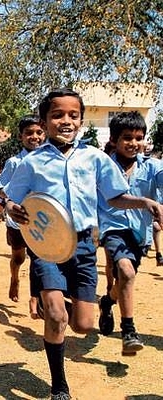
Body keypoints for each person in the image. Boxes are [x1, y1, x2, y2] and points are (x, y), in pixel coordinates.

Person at [4, 88, 163, 400]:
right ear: (44, 121)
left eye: (73, 115)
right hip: (46, 245)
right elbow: (12, 198)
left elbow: (115, 196)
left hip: (83, 246)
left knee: (83, 325)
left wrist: (144, 201)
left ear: (80, 119)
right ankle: (59, 385)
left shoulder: (95, 158)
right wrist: (12, 208)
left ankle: (62, 303)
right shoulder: (31, 162)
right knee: (55, 316)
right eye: (57, 115)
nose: (66, 120)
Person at [97, 111, 163, 355]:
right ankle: (129, 330)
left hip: (140, 233)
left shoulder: (153, 167)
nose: (134, 143)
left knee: (127, 276)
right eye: (127, 138)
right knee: (124, 270)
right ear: (114, 139)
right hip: (112, 228)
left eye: (139, 137)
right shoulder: (103, 166)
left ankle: (107, 301)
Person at [0, 114, 45, 315]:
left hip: (42, 221)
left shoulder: (50, 159)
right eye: (29, 133)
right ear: (21, 137)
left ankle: (35, 297)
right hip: (17, 220)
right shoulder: (14, 162)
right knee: (18, 258)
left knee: (39, 260)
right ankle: (14, 278)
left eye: (39, 132)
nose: (34, 137)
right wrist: (9, 202)